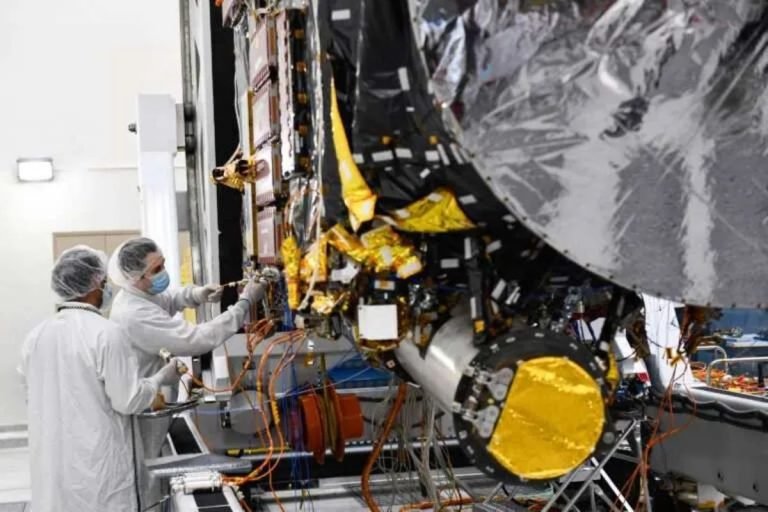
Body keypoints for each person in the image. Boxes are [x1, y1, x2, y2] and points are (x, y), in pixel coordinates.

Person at [20, 246, 182, 512]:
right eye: (104, 282)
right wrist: (160, 378)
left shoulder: (35, 337)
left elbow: (35, 394)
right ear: (94, 285)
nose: (108, 289)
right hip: (100, 474)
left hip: (53, 472)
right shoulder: (106, 334)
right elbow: (129, 400)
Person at [108, 237, 265, 379]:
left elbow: (168, 299)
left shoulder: (138, 293)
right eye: (156, 270)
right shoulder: (133, 315)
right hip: (149, 401)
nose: (164, 272)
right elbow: (196, 339)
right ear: (136, 278)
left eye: (163, 264)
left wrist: (197, 294)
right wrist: (244, 302)